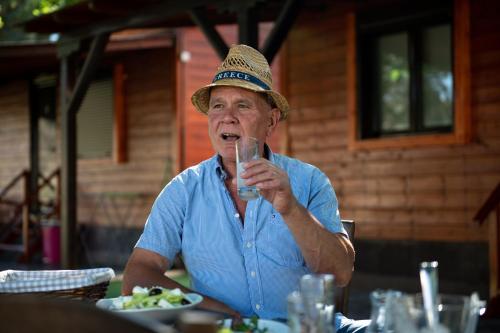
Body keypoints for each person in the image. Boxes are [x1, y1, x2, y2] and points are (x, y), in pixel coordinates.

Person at [122, 44, 369, 332]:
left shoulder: (309, 180)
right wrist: (208, 306)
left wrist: (290, 208)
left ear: (271, 121)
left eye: (243, 105)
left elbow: (339, 273)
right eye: (217, 105)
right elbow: (138, 274)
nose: (227, 116)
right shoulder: (183, 189)